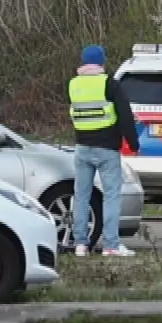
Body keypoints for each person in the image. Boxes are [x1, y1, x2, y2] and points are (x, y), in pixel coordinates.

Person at [68, 44, 140, 258]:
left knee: (81, 196)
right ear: (102, 62)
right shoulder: (109, 83)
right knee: (111, 197)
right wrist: (134, 144)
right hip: (107, 148)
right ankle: (111, 245)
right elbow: (125, 116)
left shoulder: (73, 84)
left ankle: (80, 244)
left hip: (82, 147)